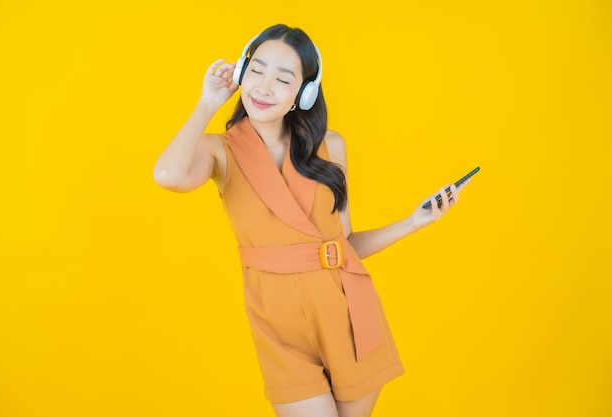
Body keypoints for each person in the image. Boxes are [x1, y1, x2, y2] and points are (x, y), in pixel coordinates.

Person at [154, 23, 471, 417]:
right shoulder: (219, 151)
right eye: (256, 71)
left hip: (350, 314)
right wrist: (208, 102)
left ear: (303, 94)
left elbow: (345, 245)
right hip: (279, 325)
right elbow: (167, 176)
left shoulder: (331, 147)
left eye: (283, 79)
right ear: (240, 75)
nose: (264, 88)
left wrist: (412, 222)